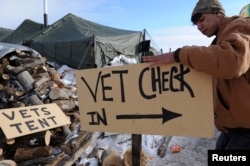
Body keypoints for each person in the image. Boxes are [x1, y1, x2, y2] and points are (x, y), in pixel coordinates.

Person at [142, 0, 250, 150]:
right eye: (196, 24)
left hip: (245, 134)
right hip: (230, 132)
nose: (199, 27)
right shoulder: (221, 39)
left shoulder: (241, 26)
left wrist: (179, 54)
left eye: (202, 19)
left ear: (218, 14)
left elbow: (231, 62)